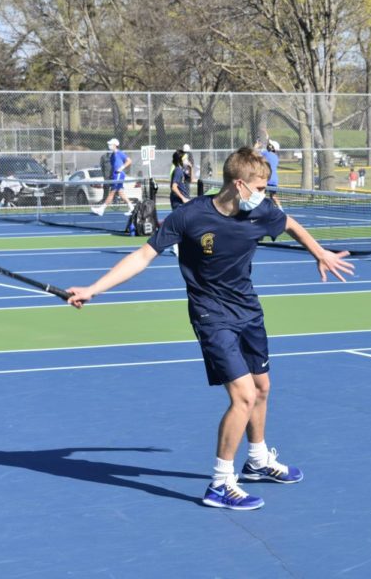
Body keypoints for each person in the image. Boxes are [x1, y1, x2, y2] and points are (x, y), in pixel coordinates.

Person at [67, 146, 354, 511]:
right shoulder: (190, 216)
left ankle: (258, 460)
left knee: (262, 387)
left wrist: (321, 253)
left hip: (248, 309)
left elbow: (291, 224)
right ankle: (220, 483)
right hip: (211, 315)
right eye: (260, 187)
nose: (265, 194)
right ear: (239, 184)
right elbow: (142, 256)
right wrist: (93, 289)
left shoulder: (262, 211)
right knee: (244, 397)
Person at [91, 138, 134, 217]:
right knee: (120, 192)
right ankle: (132, 208)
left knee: (112, 192)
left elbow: (129, 160)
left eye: (111, 144)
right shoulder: (113, 155)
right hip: (115, 174)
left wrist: (121, 168)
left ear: (115, 145)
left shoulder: (119, 153)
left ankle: (101, 209)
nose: (109, 146)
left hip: (118, 174)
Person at [256, 139, 281, 207]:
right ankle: (281, 210)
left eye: (270, 145)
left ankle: (260, 211)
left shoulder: (266, 153)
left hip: (267, 179)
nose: (268, 145)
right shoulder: (276, 157)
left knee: (259, 195)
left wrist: (257, 146)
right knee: (273, 196)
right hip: (274, 180)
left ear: (271, 147)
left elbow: (254, 153)